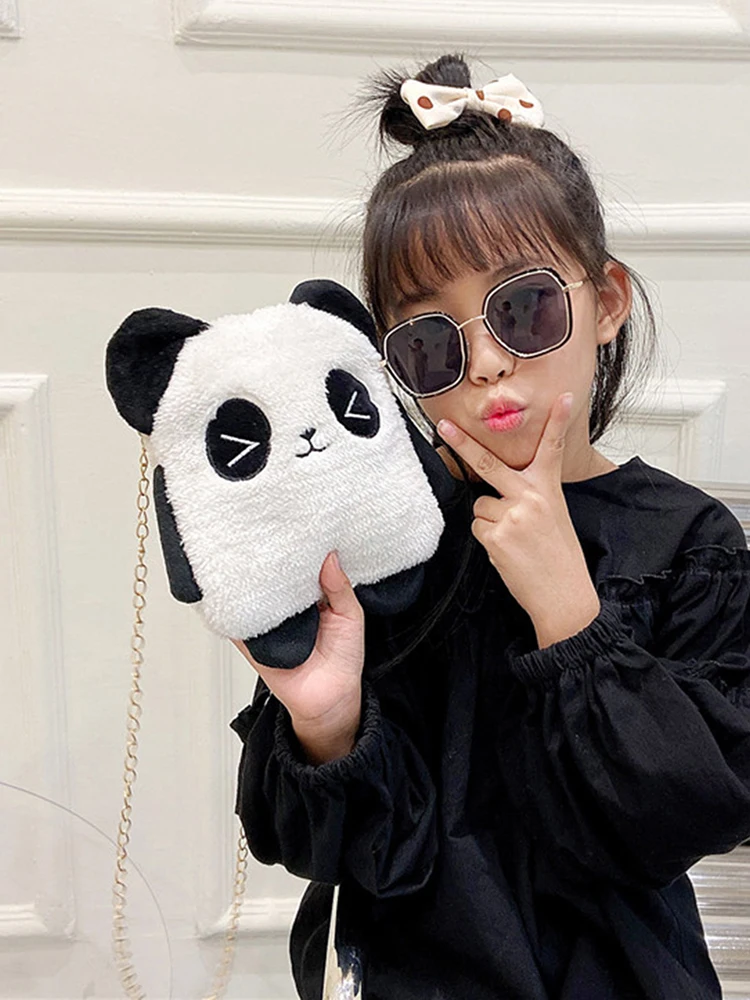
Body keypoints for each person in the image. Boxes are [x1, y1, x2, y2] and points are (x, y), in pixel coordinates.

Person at [228, 53, 750, 1000]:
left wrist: (570, 614)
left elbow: (680, 823)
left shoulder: (689, 544)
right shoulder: (389, 546)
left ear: (606, 301)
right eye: (429, 340)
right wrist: (327, 722)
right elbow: (346, 855)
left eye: (524, 307)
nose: (486, 364)